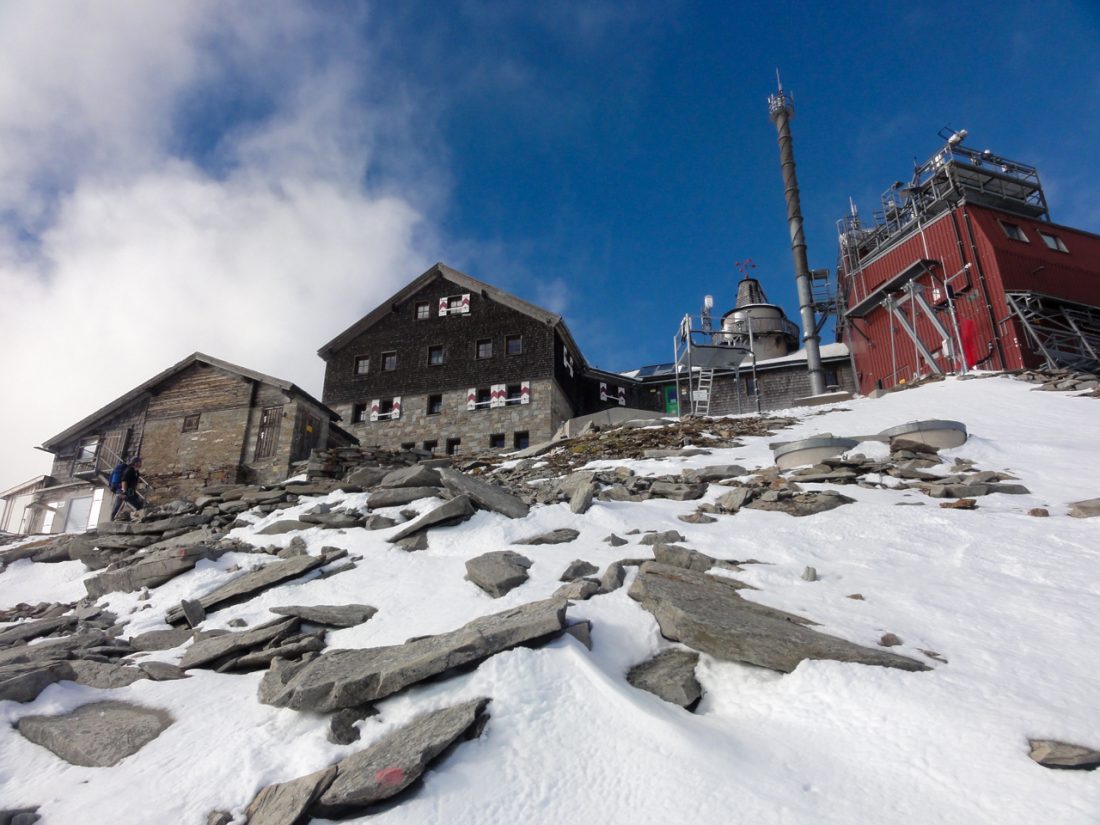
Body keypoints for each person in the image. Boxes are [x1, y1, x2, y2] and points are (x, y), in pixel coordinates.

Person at [110, 456, 145, 520]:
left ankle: (139, 516)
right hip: (123, 490)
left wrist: (133, 492)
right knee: (118, 505)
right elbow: (124, 481)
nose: (141, 463)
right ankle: (112, 519)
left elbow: (132, 483)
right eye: (139, 462)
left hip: (130, 490)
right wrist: (124, 492)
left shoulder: (136, 472)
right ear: (135, 463)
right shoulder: (129, 470)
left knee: (139, 502)